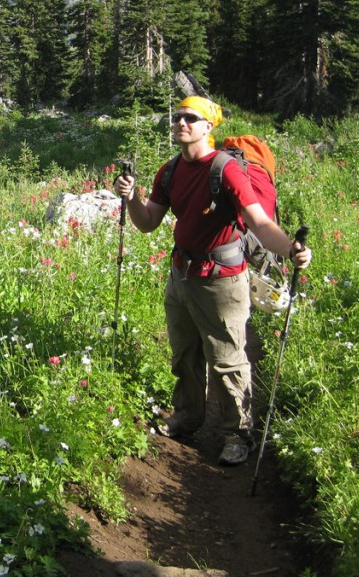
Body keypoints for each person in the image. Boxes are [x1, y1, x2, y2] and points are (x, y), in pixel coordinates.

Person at [113, 96, 312, 466]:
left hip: (222, 282)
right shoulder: (170, 171)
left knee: (227, 360)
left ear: (208, 127)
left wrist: (291, 250)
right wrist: (132, 198)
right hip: (181, 276)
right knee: (185, 354)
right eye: (178, 117)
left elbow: (259, 222)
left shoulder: (226, 170)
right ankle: (188, 418)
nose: (181, 123)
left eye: (191, 118)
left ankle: (238, 434)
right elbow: (148, 222)